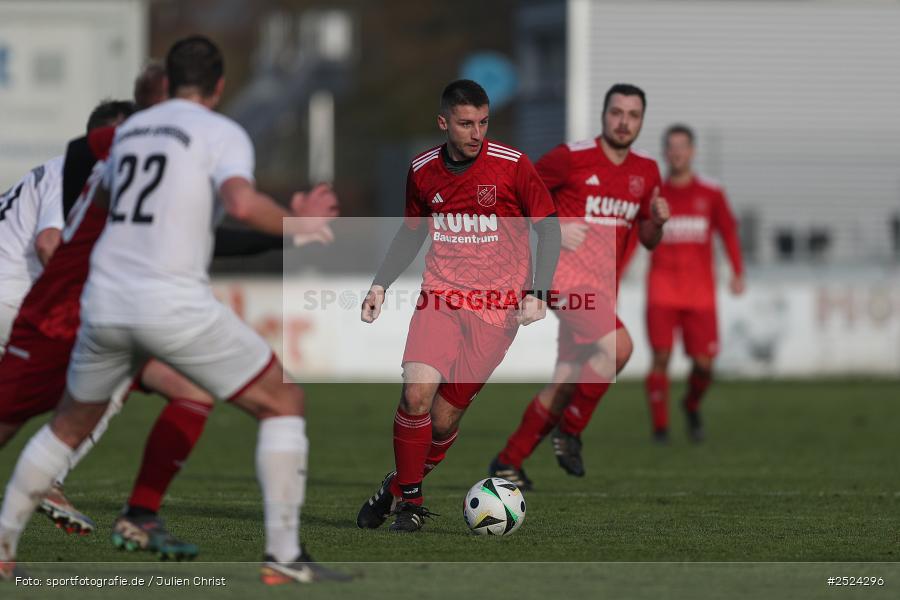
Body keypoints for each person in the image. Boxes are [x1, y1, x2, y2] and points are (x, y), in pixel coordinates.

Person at [0, 35, 346, 585]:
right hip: (165, 301)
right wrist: (297, 222)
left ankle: (9, 545)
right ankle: (283, 554)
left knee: (67, 424)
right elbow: (238, 202)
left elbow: (108, 206)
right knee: (283, 399)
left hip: (102, 299)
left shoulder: (128, 135)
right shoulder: (220, 131)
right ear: (219, 86)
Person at [355, 79, 560, 532]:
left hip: (497, 314)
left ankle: (393, 488)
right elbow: (411, 233)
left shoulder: (512, 166)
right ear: (443, 122)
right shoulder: (423, 169)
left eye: (483, 122)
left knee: (443, 423)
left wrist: (537, 292)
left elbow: (548, 228)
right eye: (466, 123)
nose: (476, 132)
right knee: (416, 394)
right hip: (441, 297)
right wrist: (380, 285)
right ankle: (410, 504)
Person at [489, 83, 670, 487]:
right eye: (616, 112)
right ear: (603, 114)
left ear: (641, 120)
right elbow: (516, 196)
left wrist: (657, 221)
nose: (623, 122)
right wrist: (554, 224)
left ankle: (507, 461)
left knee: (568, 381)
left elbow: (647, 239)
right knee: (619, 348)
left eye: (633, 115)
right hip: (563, 281)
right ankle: (570, 432)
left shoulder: (647, 172)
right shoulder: (570, 158)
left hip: (603, 291)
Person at [644, 124, 744, 443]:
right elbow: (637, 236)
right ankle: (661, 427)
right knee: (661, 357)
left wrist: (737, 271)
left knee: (705, 366)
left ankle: (690, 404)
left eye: (682, 146)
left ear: (693, 151)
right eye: (671, 147)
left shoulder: (711, 193)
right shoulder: (653, 193)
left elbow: (728, 231)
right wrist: (613, 277)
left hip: (700, 294)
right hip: (662, 289)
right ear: (665, 152)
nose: (677, 153)